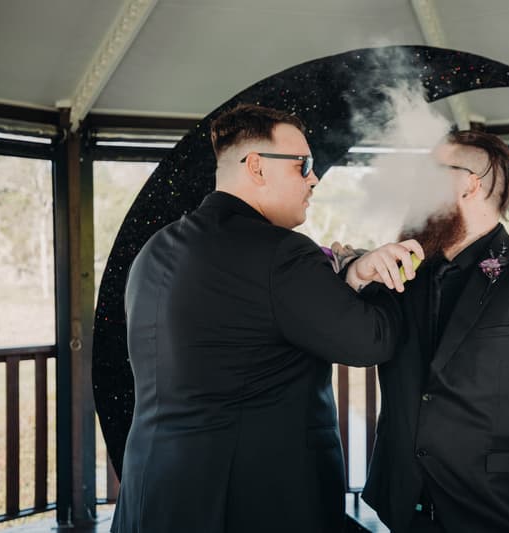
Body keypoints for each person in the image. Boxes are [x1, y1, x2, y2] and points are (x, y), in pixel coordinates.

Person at [111, 104, 422, 533]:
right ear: (256, 167)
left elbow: (252, 325)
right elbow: (372, 339)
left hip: (153, 498)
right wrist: (376, 276)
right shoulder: (281, 252)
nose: (314, 178)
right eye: (303, 166)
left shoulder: (157, 249)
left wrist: (346, 277)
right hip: (251, 503)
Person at [358, 130, 509, 533]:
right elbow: (348, 332)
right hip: (404, 510)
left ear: (469, 184)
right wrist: (354, 270)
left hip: (499, 513)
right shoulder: (403, 273)